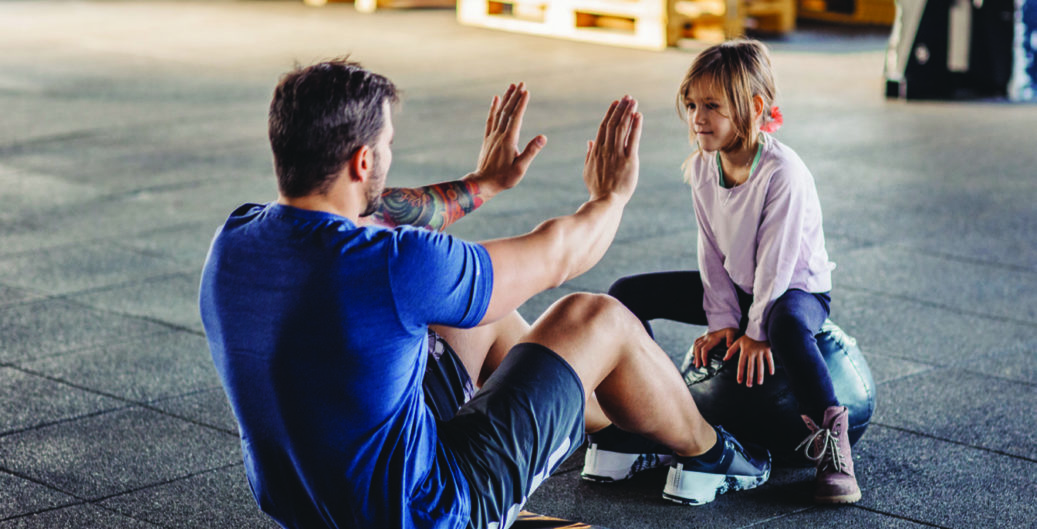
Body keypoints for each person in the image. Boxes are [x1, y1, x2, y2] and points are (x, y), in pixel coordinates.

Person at [198, 57, 770, 529]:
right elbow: (562, 253)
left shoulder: (236, 237)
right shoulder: (393, 266)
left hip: (312, 507)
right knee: (594, 316)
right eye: (387, 144)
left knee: (470, 318)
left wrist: (483, 184)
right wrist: (611, 198)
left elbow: (383, 213)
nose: (390, 157)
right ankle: (714, 453)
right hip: (429, 510)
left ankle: (622, 432)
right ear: (363, 159)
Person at [594, 39, 861, 504]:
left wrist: (755, 332)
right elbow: (711, 251)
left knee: (787, 325)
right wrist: (721, 321)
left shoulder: (783, 173)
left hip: (796, 289)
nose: (698, 118)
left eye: (713, 106)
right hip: (740, 288)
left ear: (754, 106)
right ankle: (650, 417)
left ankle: (832, 450)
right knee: (625, 295)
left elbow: (777, 262)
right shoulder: (703, 166)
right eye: (693, 104)